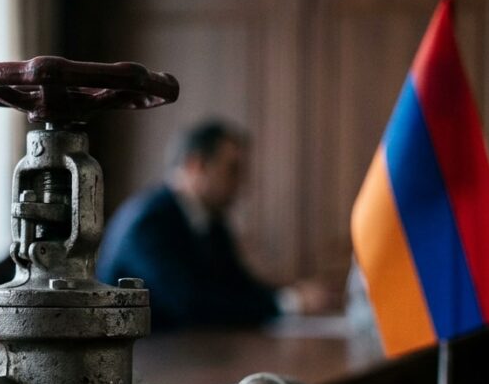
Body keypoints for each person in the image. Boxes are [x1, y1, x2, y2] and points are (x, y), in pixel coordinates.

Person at [98, 119, 335, 331]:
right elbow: (189, 304)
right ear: (196, 165)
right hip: (140, 357)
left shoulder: (210, 221)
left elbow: (238, 285)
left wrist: (290, 295)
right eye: (232, 170)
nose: (242, 183)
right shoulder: (150, 221)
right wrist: (287, 303)